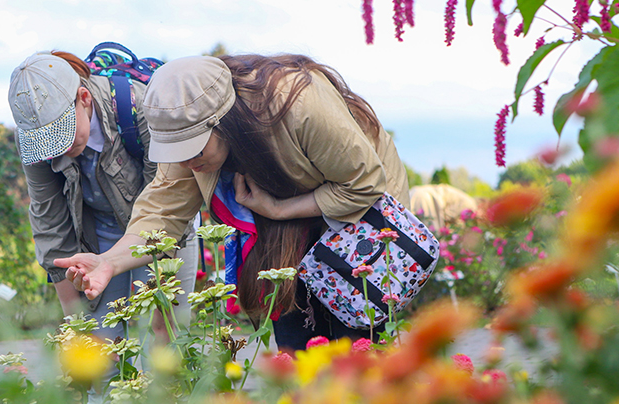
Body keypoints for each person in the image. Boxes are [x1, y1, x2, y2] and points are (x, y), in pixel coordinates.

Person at [54, 54, 410, 351]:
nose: (188, 162)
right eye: (176, 151)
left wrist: (278, 210)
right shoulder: (184, 141)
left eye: (194, 148)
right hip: (285, 233)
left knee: (361, 344)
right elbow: (160, 214)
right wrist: (108, 261)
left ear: (222, 122)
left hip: (359, 215)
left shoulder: (298, 103)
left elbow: (363, 185)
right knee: (297, 346)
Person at [8, 51, 196, 340]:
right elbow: (50, 225)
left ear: (84, 98)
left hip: (163, 231)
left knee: (162, 345)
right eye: (46, 142)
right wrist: (76, 326)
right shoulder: (33, 139)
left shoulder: (142, 109)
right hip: (98, 233)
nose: (55, 150)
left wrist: (161, 321)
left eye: (63, 133)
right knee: (99, 347)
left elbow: (167, 205)